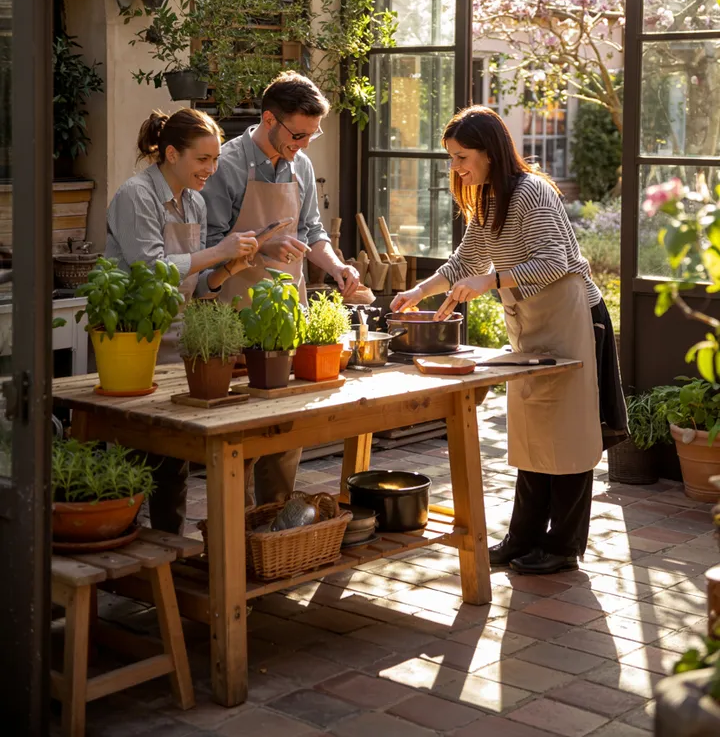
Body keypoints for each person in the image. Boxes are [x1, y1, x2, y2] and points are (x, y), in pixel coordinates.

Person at [391, 106, 626, 576]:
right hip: (536, 325)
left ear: (490, 152)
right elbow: (464, 262)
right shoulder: (489, 199)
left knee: (571, 438)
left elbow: (555, 260)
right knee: (533, 434)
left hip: (575, 320)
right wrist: (419, 290)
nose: (456, 168)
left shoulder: (532, 192)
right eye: (452, 158)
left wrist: (491, 280)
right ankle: (522, 538)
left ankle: (562, 548)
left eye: (461, 157)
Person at [202, 71, 360, 505]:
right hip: (232, 310)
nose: (305, 144)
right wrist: (263, 244)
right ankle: (234, 535)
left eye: (312, 134)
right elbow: (209, 244)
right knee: (240, 431)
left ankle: (273, 525)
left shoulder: (301, 164)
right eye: (298, 133)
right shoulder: (227, 165)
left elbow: (311, 230)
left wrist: (338, 267)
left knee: (286, 425)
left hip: (284, 310)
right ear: (269, 119)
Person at [105, 108, 259, 532]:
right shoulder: (136, 195)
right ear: (171, 153)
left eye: (214, 160)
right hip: (131, 340)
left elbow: (198, 281)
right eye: (202, 160)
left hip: (177, 339)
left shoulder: (194, 200)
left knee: (171, 460)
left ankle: (166, 556)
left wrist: (229, 267)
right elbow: (148, 270)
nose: (211, 169)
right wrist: (219, 252)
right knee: (135, 457)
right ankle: (127, 552)